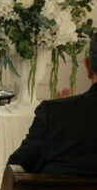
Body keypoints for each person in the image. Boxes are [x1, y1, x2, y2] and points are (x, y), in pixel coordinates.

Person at [7, 35, 97, 175]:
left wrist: (64, 111)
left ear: (87, 66)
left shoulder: (54, 114)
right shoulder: (55, 113)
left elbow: (15, 170)